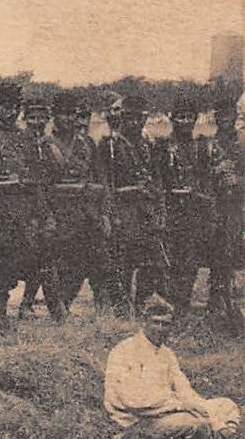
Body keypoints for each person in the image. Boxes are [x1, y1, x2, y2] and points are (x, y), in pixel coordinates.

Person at [104, 295, 238, 439]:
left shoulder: (167, 354)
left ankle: (218, 436)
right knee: (195, 423)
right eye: (156, 323)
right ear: (144, 322)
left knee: (226, 405)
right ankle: (131, 438)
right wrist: (180, 406)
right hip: (137, 419)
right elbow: (134, 401)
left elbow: (184, 389)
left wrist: (200, 407)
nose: (160, 329)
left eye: (165, 324)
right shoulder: (125, 350)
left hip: (167, 411)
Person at [0, 83, 45, 330]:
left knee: (13, 266)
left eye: (14, 107)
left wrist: (36, 210)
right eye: (4, 107)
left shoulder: (26, 138)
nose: (9, 112)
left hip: (20, 211)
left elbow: (36, 176)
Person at [38, 91, 108, 320]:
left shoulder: (87, 143)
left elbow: (100, 178)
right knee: (58, 265)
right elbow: (40, 186)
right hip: (58, 214)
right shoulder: (44, 145)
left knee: (84, 264)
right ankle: (57, 308)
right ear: (53, 116)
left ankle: (67, 306)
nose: (68, 119)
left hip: (85, 214)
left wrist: (103, 212)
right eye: (63, 114)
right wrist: (46, 215)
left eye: (72, 114)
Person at [97, 94, 168, 315]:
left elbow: (157, 179)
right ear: (122, 118)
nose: (134, 123)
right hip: (123, 209)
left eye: (139, 118)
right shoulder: (110, 145)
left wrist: (159, 206)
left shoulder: (150, 144)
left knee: (149, 261)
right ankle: (122, 308)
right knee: (122, 261)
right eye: (129, 118)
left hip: (146, 209)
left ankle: (143, 304)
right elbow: (105, 181)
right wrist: (109, 213)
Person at [156, 93, 214, 314]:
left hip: (193, 210)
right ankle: (166, 307)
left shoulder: (200, 146)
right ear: (172, 118)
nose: (184, 121)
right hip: (170, 210)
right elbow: (157, 176)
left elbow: (205, 177)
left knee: (190, 260)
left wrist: (200, 196)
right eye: (179, 117)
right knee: (168, 259)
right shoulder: (162, 146)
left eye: (188, 117)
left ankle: (182, 306)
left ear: (195, 118)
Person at [14, 96, 55, 318]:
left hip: (48, 205)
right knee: (29, 257)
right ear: (25, 119)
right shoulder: (20, 142)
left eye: (42, 118)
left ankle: (29, 303)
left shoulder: (50, 144)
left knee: (46, 256)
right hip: (25, 205)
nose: (37, 122)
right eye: (32, 118)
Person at [206, 88, 243, 335]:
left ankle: (235, 309)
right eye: (220, 115)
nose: (225, 119)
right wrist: (215, 174)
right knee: (219, 257)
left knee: (235, 257)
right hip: (216, 207)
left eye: (229, 114)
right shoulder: (209, 144)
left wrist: (237, 180)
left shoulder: (242, 143)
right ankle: (217, 305)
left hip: (238, 207)